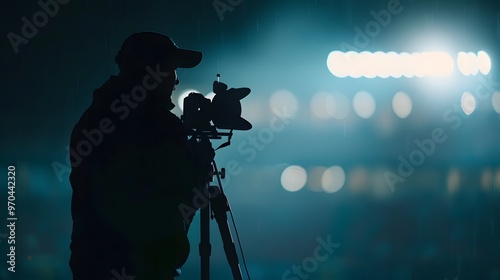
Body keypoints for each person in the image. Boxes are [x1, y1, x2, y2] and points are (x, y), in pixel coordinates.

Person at [69, 32, 212, 280]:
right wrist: (199, 170)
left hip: (92, 264)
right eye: (172, 70)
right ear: (152, 73)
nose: (176, 81)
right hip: (146, 267)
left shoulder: (93, 119)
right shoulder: (160, 126)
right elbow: (175, 202)